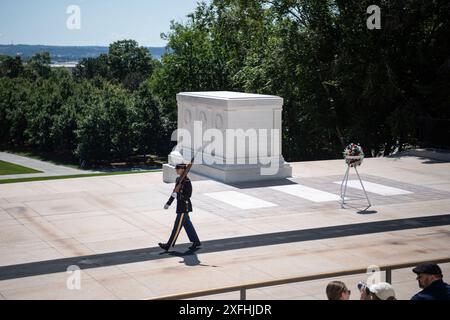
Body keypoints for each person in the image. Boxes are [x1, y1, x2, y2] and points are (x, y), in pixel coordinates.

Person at [158, 164, 201, 251]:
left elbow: (188, 195)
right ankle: (196, 242)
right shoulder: (178, 179)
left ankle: (168, 245)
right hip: (180, 207)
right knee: (188, 225)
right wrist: (168, 203)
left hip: (184, 207)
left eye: (178, 169)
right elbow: (174, 192)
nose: (176, 170)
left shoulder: (187, 181)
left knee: (176, 227)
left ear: (182, 169)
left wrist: (179, 193)